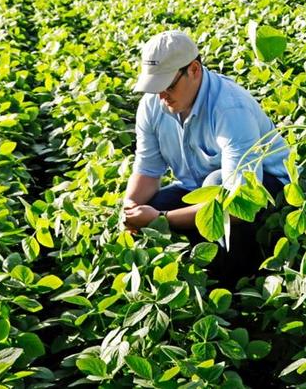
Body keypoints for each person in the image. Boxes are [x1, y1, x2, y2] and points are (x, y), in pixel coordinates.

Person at [121, 29, 290, 284]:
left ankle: (241, 278)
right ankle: (198, 273)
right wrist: (130, 208)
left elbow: (240, 203)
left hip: (266, 190)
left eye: (168, 85)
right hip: (199, 188)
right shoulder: (153, 105)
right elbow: (147, 171)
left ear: (194, 70)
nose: (161, 95)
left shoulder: (231, 109)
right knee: (158, 201)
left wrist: (161, 219)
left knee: (215, 184)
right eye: (155, 87)